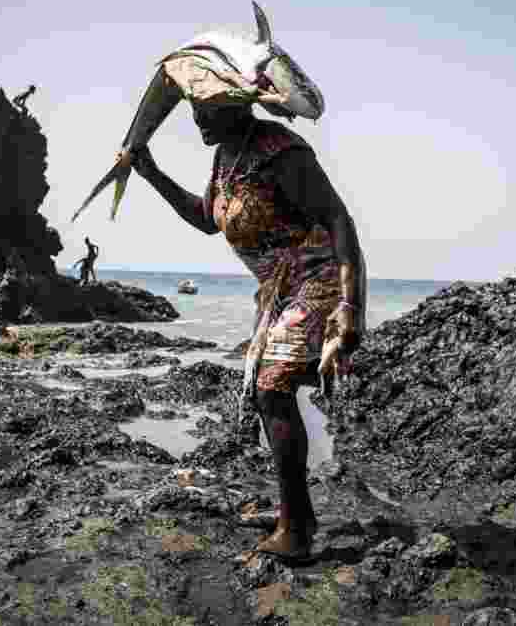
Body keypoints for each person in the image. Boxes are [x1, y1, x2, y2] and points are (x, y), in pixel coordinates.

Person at [129, 99, 366, 561]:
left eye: (208, 109)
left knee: (273, 388)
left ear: (238, 103)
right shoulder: (226, 155)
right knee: (265, 393)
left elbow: (339, 219)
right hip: (276, 292)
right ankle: (297, 512)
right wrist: (150, 172)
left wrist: (350, 303)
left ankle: (296, 530)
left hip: (317, 278)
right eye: (193, 108)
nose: (197, 118)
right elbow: (206, 219)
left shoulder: (280, 149)